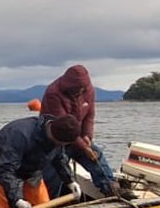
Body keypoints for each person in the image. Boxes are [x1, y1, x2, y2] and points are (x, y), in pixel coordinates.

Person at [40, 64, 121, 197]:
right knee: (54, 169)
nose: (80, 92)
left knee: (96, 155)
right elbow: (64, 128)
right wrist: (84, 146)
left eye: (83, 89)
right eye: (77, 90)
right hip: (56, 139)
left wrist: (87, 137)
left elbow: (89, 115)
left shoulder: (88, 90)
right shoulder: (53, 93)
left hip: (77, 137)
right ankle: (50, 201)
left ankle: (112, 190)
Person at [0, 114, 81, 208]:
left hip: (32, 171)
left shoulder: (57, 138)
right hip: (1, 170)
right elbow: (6, 169)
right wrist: (17, 199)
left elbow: (59, 158)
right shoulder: (20, 134)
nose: (63, 146)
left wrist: (70, 181)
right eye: (62, 144)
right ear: (56, 138)